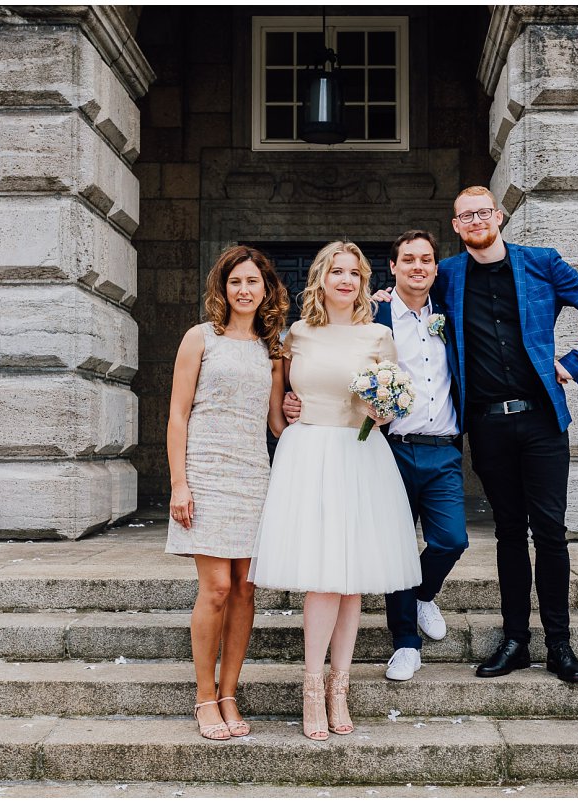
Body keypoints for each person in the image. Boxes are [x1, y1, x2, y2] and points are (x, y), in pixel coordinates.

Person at [440, 186, 578, 683]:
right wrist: (384, 298)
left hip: (541, 422)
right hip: (487, 424)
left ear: (498, 216)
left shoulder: (541, 262)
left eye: (482, 212)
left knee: (551, 533)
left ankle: (560, 644)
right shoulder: (448, 276)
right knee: (507, 535)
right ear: (456, 227)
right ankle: (516, 640)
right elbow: (410, 310)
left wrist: (576, 363)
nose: (475, 221)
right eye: (465, 216)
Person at [249, 241, 421, 741]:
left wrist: (383, 411)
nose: (346, 280)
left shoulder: (379, 334)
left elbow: (391, 404)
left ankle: (339, 687)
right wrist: (287, 417)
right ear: (321, 278)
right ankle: (310, 685)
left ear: (363, 282)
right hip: (308, 454)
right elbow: (277, 409)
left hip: (359, 454)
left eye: (354, 272)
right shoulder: (297, 334)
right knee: (323, 578)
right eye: (337, 271)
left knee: (351, 583)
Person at [284, 230, 467, 682]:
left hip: (442, 447)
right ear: (392, 268)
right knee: (396, 546)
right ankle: (405, 643)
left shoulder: (451, 314)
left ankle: (423, 596)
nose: (418, 266)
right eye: (409, 259)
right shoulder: (376, 314)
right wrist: (290, 404)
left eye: (426, 259)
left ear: (436, 268)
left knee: (452, 539)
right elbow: (289, 381)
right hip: (390, 448)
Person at [166, 245, 289, 740]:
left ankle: (230, 692)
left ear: (266, 290)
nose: (244, 290)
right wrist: (179, 482)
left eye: (252, 283)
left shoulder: (272, 349)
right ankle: (203, 697)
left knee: (245, 589)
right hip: (205, 470)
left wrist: (311, 413)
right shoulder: (200, 338)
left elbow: (276, 422)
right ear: (223, 287)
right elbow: (177, 414)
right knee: (215, 588)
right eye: (235, 281)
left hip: (252, 473)